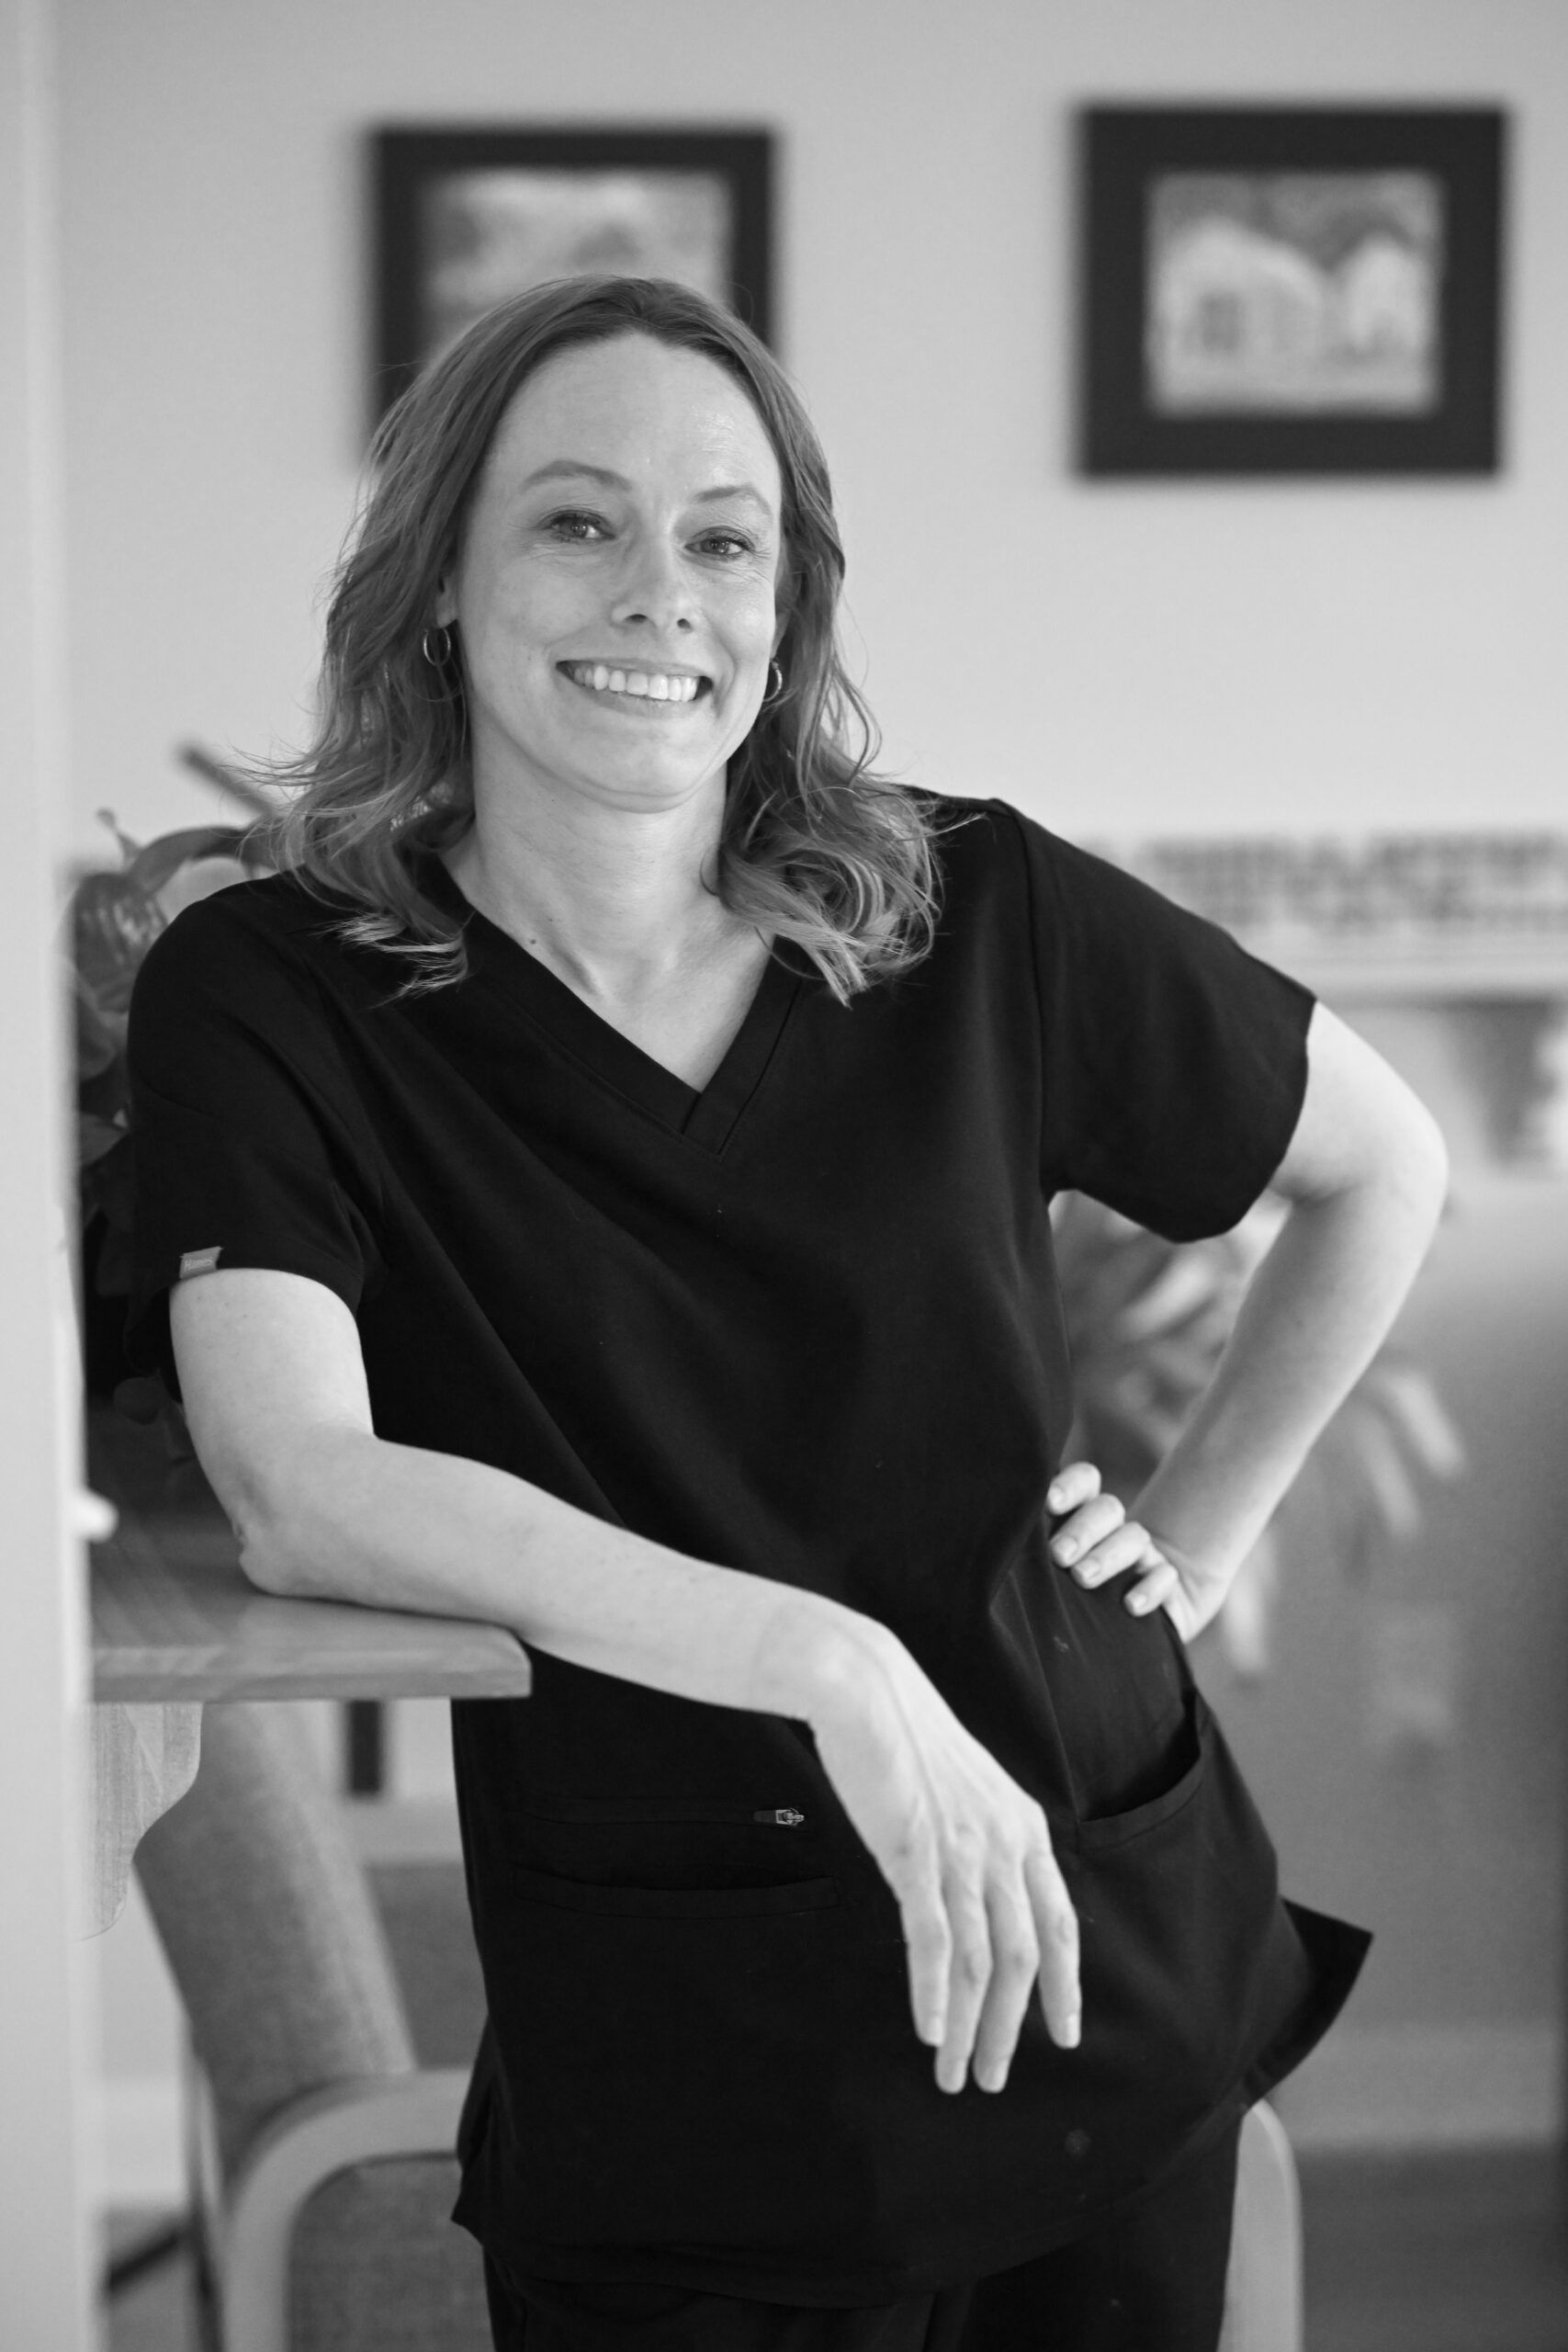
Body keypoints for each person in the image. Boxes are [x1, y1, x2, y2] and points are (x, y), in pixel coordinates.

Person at [126, 275, 1445, 2352]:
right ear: (439, 584)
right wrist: (825, 1663)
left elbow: (1382, 1166)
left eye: (722, 537)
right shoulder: (280, 993)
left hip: (1093, 1940)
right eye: (576, 520)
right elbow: (299, 1480)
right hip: (685, 2041)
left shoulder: (974, 910)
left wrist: (1197, 1533)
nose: (660, 592)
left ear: (782, 605)